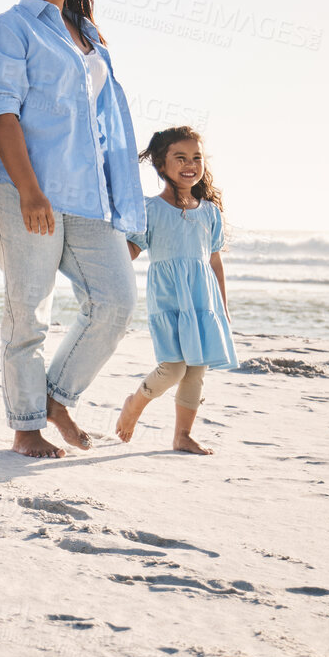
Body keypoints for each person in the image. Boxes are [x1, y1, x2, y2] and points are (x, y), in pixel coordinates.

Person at [0, 0, 144, 459]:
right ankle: (27, 427)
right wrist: (28, 190)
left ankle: (53, 398)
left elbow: (106, 126)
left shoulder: (91, 36)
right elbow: (2, 111)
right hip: (26, 190)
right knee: (29, 312)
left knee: (116, 302)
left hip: (90, 197)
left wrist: (128, 210)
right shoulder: (12, 26)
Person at [115, 127, 235, 455]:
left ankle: (182, 435)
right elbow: (132, 250)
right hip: (168, 298)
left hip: (202, 300)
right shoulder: (150, 209)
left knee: (196, 369)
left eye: (196, 158)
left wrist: (222, 308)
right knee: (173, 367)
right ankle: (135, 404)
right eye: (179, 157)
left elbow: (214, 262)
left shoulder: (209, 211)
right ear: (161, 165)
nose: (190, 164)